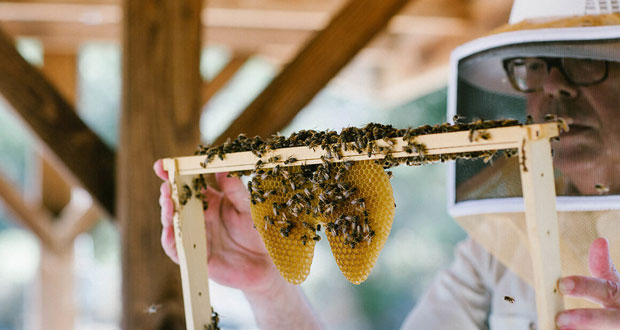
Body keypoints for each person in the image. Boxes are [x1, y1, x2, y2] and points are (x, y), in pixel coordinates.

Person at [155, 0, 620, 328]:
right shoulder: (498, 244)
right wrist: (267, 287)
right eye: (536, 66)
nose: (555, 88)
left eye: (586, 61)